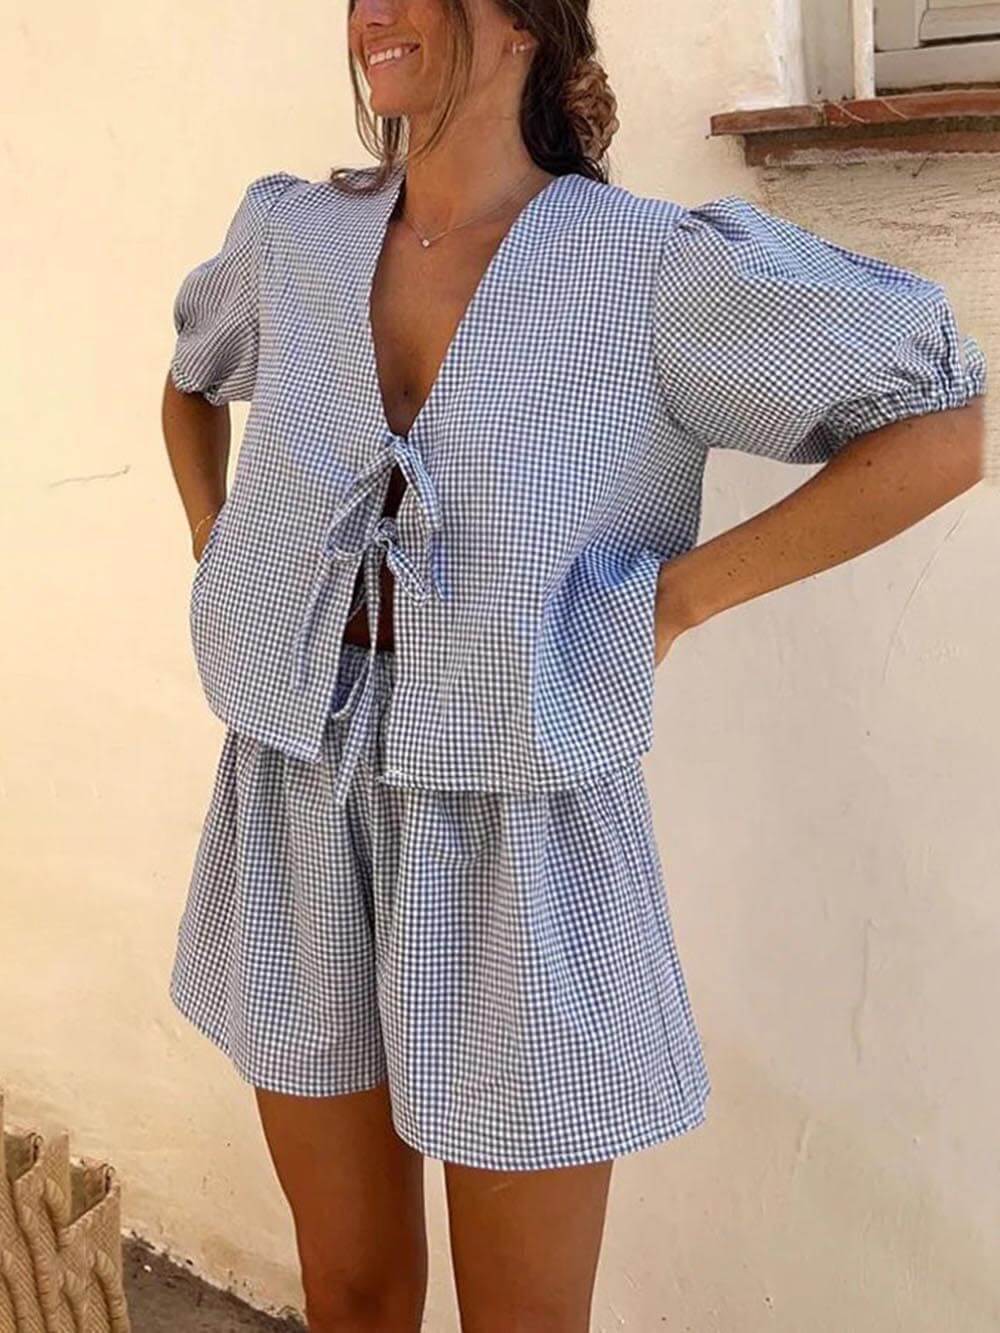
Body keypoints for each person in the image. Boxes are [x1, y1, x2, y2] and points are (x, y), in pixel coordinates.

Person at [160, 1, 987, 1328]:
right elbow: (193, 377)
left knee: (526, 1318)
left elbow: (945, 425)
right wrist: (219, 547)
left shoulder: (645, 270)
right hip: (296, 787)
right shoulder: (295, 237)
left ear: (525, 25)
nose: (374, 10)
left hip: (523, 822)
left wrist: (676, 600)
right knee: (351, 1291)